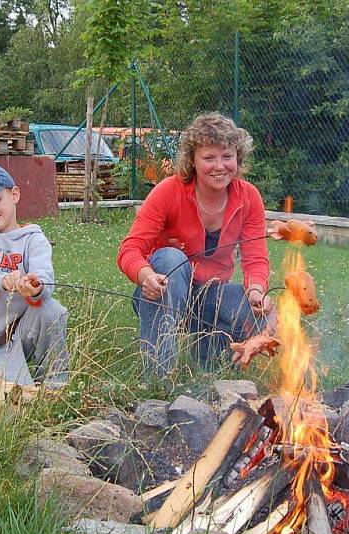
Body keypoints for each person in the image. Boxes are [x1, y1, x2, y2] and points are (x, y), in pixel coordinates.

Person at [117, 112, 272, 378]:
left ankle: (210, 360)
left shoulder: (249, 197)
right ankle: (158, 377)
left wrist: (257, 289)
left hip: (211, 295)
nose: (219, 166)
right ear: (193, 160)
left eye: (227, 156)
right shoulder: (169, 191)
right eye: (209, 158)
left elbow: (255, 257)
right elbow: (129, 249)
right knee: (169, 258)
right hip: (164, 291)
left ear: (238, 157)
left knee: (260, 315)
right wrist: (145, 276)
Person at [0, 163, 69, 387]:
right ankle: (17, 376)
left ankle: (56, 385)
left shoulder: (33, 238)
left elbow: (44, 276)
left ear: (14, 194)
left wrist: (36, 287)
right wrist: (1, 281)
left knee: (52, 309)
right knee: (13, 393)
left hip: (21, 333)